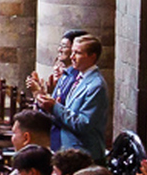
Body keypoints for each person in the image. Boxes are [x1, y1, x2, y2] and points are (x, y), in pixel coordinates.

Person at [38, 34, 110, 162]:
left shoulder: (96, 85)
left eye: (77, 53)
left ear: (92, 56)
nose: (72, 57)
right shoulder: (79, 78)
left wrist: (55, 107)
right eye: (72, 52)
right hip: (68, 149)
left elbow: (83, 124)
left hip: (83, 155)